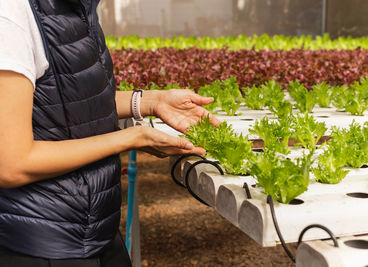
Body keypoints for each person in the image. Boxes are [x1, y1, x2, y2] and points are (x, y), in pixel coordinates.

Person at [0, 0, 219, 266]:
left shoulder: (78, 8)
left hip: (95, 230)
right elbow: (11, 163)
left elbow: (65, 105)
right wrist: (131, 138)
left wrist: (151, 102)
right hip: (43, 244)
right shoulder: (11, 14)